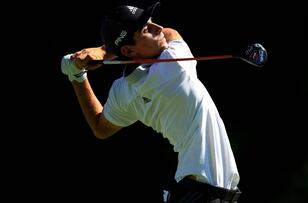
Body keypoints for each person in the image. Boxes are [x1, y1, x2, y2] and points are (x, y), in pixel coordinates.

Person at [61, 2, 241, 202]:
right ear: (128, 51)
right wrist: (104, 51)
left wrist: (77, 76)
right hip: (200, 194)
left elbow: (100, 127)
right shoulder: (175, 64)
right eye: (147, 29)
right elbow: (172, 33)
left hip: (195, 193)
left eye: (152, 22)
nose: (159, 29)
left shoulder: (123, 91)